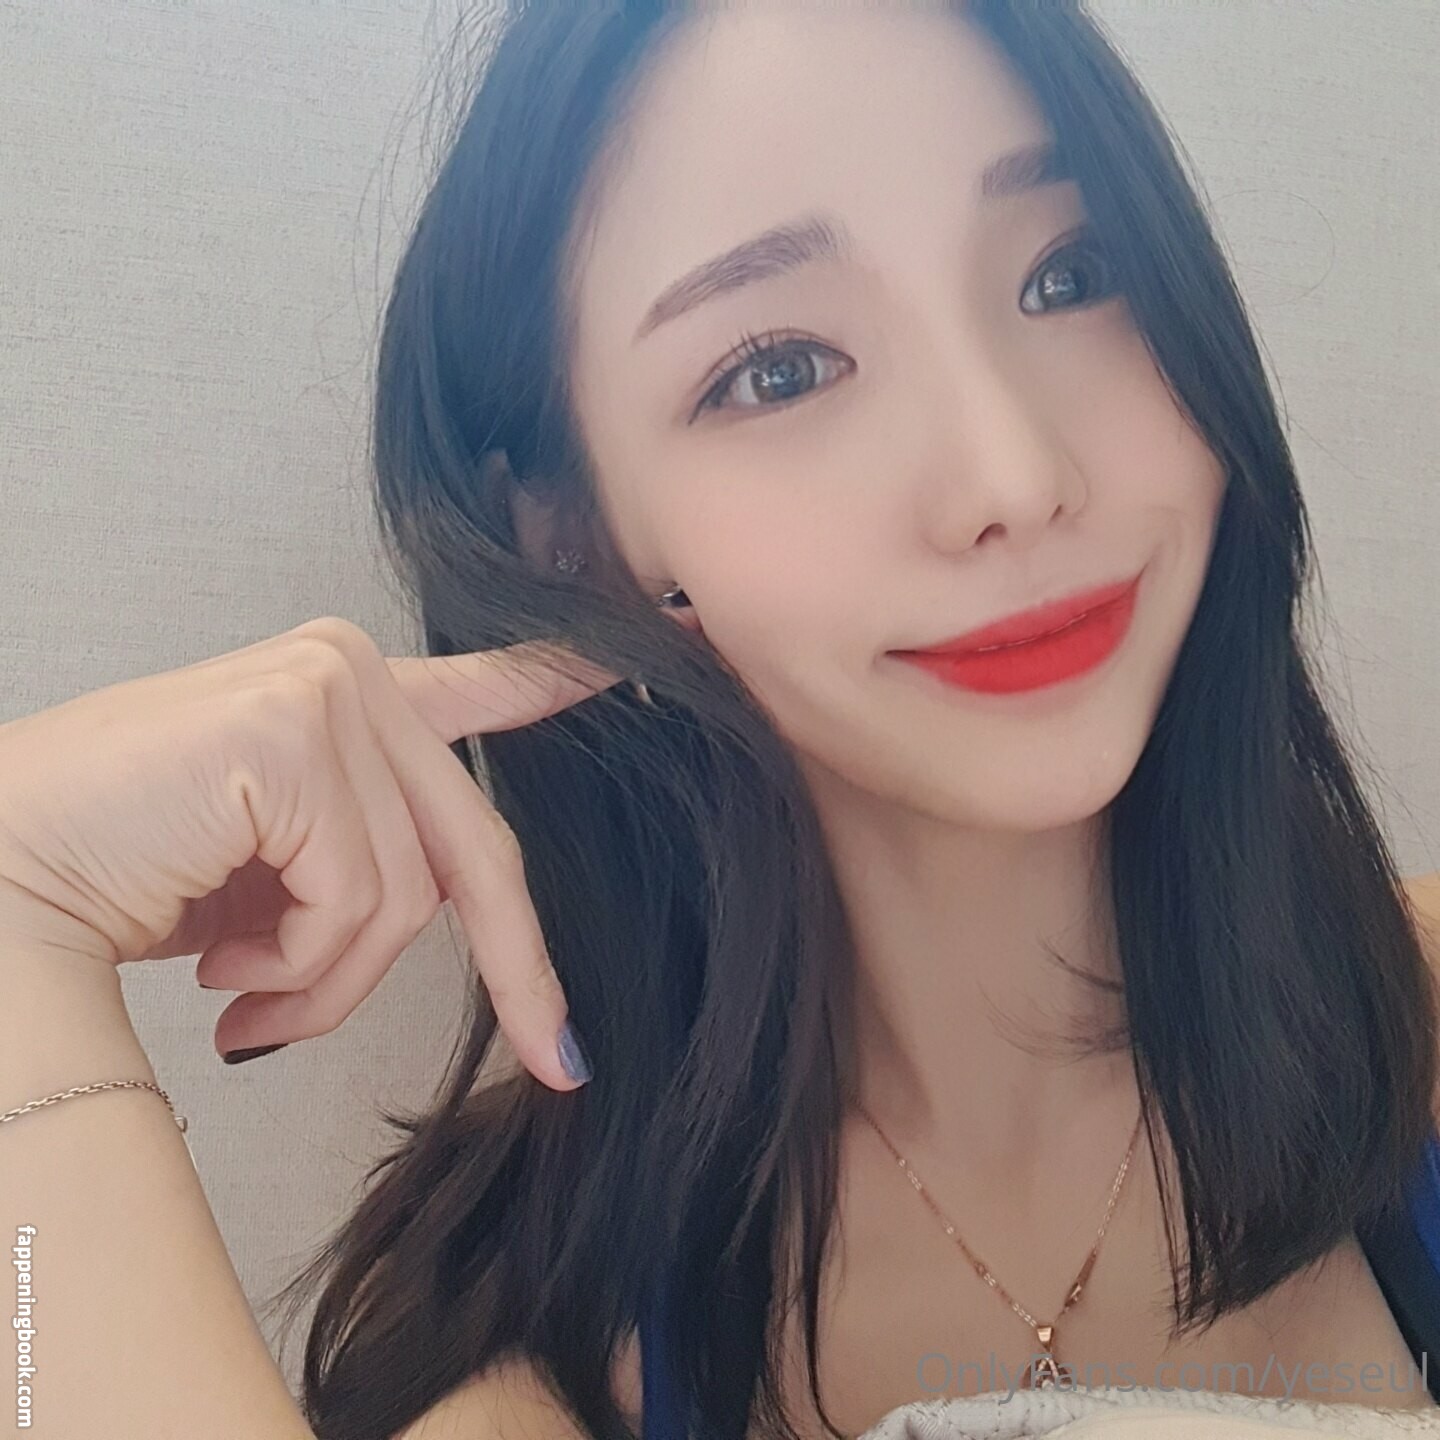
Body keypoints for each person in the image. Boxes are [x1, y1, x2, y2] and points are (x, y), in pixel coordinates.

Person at [1, 2, 1437, 1438]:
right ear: (572, 538)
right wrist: (22, 896)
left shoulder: (1415, 1022)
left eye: (1072, 273)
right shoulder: (547, 1352)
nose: (1012, 475)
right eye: (781, 370)